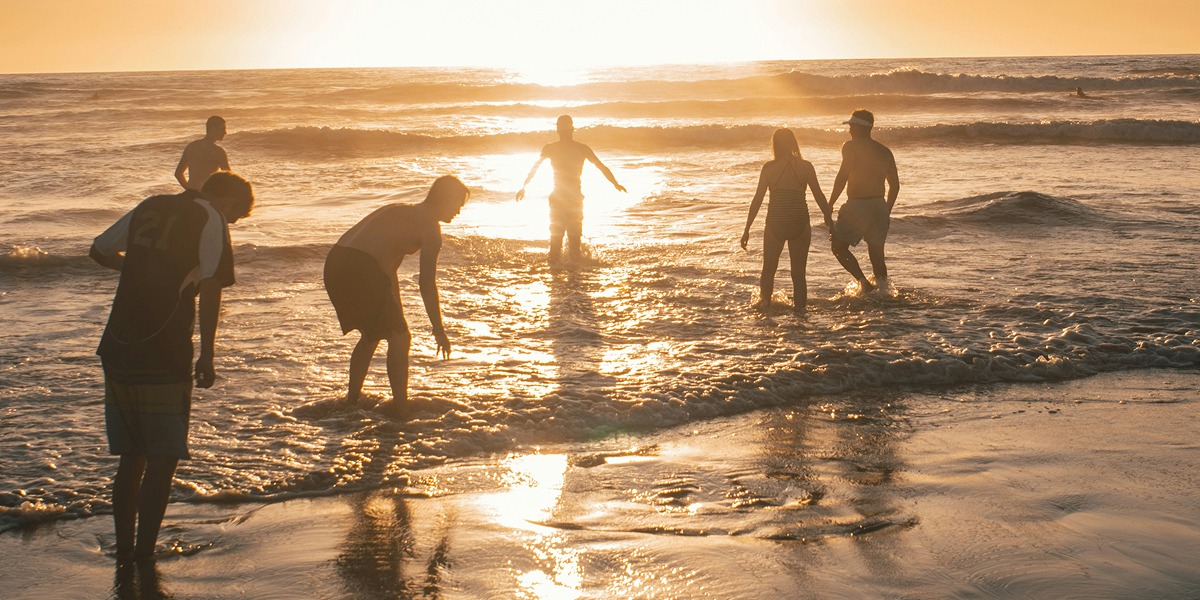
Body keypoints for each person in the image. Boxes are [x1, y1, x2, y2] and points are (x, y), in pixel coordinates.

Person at [90, 172, 255, 564]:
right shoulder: (210, 215)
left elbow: (99, 250)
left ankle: (124, 549)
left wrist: (139, 270)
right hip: (163, 347)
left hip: (117, 343)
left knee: (131, 457)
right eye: (236, 216)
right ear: (228, 200)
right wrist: (208, 354)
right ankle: (145, 553)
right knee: (163, 458)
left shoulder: (151, 204)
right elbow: (212, 285)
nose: (231, 224)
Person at [324, 175, 469, 417]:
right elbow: (426, 283)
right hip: (360, 267)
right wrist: (439, 330)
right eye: (458, 205)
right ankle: (401, 410)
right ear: (445, 199)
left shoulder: (401, 210)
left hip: (336, 263)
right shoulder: (430, 228)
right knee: (400, 339)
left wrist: (398, 314)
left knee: (372, 334)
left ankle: (351, 401)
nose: (458, 212)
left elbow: (388, 272)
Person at [740, 129, 831, 312]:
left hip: (776, 222)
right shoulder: (806, 167)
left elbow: (757, 199)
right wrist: (830, 221)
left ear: (775, 145)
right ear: (793, 143)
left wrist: (747, 228)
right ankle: (800, 312)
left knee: (768, 270)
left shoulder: (769, 168)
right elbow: (819, 196)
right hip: (800, 221)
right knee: (798, 273)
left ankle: (765, 308)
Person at [515, 115, 626, 263]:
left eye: (564, 127)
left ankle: (562, 271)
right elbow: (535, 168)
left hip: (568, 198)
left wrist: (615, 183)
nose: (564, 130)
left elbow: (601, 167)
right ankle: (568, 271)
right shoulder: (575, 148)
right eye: (563, 128)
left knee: (564, 240)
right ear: (568, 129)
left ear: (564, 130)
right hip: (566, 198)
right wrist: (524, 187)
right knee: (564, 240)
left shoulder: (559, 148)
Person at [828, 110, 900, 293]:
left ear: (861, 127)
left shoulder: (850, 147)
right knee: (877, 256)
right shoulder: (885, 152)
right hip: (879, 206)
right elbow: (895, 186)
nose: (849, 130)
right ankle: (883, 293)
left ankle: (864, 283)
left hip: (857, 205)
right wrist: (886, 209)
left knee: (838, 247)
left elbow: (842, 176)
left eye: (852, 126)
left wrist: (830, 203)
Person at [174, 116, 231, 191]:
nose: (225, 132)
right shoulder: (218, 151)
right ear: (213, 129)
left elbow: (178, 174)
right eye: (222, 129)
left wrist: (188, 190)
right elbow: (229, 178)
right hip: (206, 194)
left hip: (191, 194)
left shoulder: (191, 147)